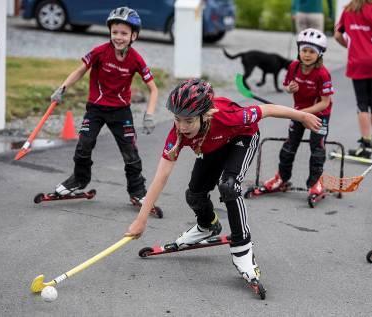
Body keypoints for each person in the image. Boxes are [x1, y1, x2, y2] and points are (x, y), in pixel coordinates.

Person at [126, 79, 321, 284]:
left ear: (206, 114)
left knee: (229, 186)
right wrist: (141, 219)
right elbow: (161, 176)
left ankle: (242, 249)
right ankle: (207, 226)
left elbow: (269, 109)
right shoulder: (178, 134)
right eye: (177, 119)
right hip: (212, 144)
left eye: (189, 121)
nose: (182, 127)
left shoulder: (230, 116)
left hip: (242, 138)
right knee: (194, 194)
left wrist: (303, 116)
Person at [52, 7, 158, 206]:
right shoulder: (100, 52)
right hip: (96, 109)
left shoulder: (136, 59)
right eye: (115, 32)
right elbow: (80, 71)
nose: (118, 37)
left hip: (121, 111)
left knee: (130, 153)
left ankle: (137, 191)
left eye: (124, 33)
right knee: (84, 144)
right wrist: (62, 88)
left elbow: (153, 89)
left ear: (133, 35)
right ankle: (79, 179)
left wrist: (149, 114)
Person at [263, 28, 333, 197]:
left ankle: (315, 182)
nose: (307, 55)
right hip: (298, 112)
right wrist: (289, 88)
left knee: (317, 149)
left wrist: (302, 114)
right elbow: (286, 86)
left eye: (311, 52)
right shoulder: (294, 67)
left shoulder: (323, 73)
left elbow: (325, 103)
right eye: (304, 50)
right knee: (289, 146)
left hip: (319, 115)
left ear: (319, 54)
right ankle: (282, 178)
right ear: (299, 51)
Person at [334, 0, 372, 159]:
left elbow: (338, 35)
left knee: (362, 103)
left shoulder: (348, 10)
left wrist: (351, 46)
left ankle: (365, 145)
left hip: (356, 60)